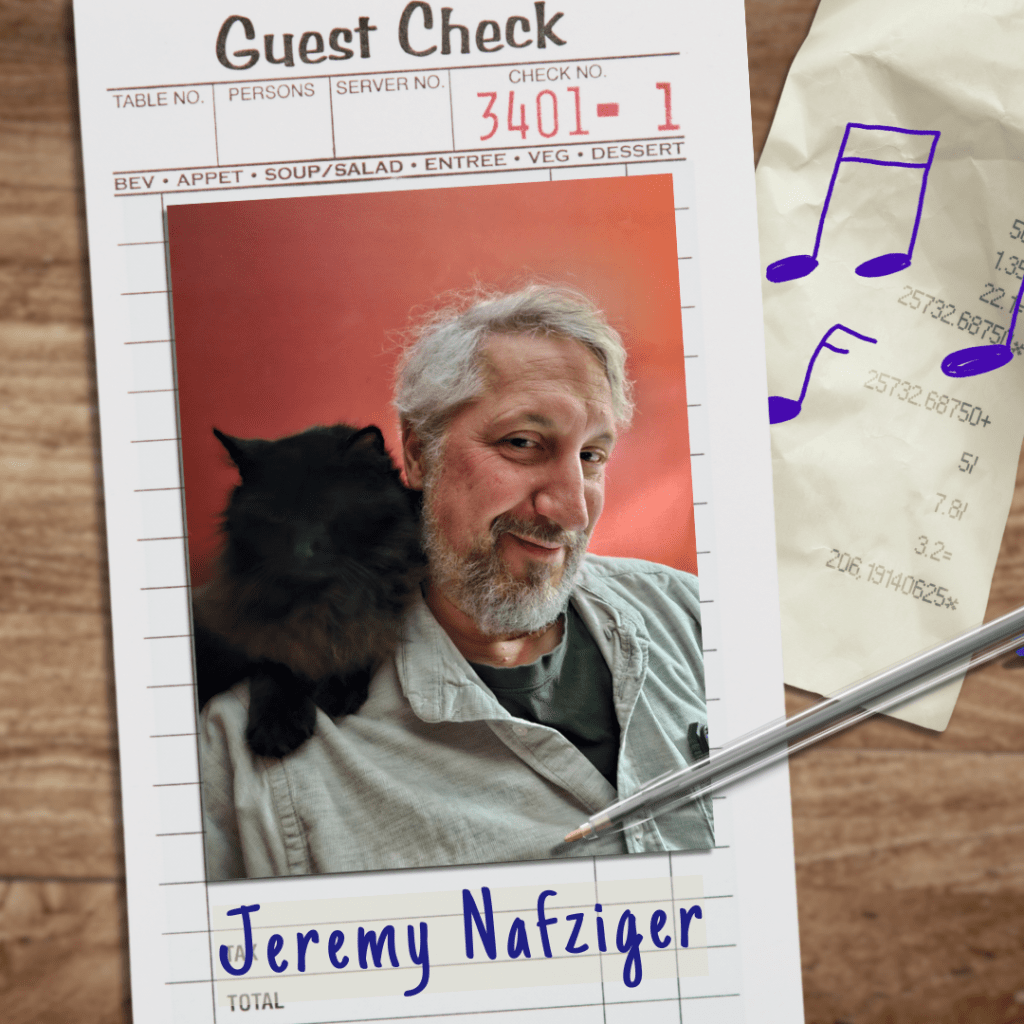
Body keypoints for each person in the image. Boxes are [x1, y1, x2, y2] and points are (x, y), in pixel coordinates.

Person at [200, 285, 712, 880]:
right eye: (523, 443)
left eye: (593, 456)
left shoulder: (692, 613)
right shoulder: (248, 754)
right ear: (418, 454)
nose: (572, 510)